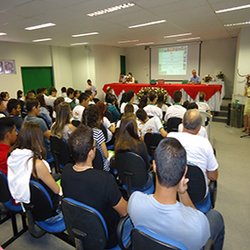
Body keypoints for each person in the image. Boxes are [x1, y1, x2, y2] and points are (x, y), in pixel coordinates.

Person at [128, 137, 224, 250]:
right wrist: (183, 193)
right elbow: (194, 216)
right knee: (216, 217)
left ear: (154, 166)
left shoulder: (134, 201)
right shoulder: (198, 225)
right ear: (185, 171)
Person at [61, 125, 127, 248]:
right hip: (108, 237)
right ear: (91, 152)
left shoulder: (65, 172)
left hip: (82, 229)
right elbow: (125, 212)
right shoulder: (105, 180)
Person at [7, 122, 62, 215]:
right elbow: (57, 190)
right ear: (37, 140)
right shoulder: (37, 164)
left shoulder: (13, 156)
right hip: (49, 211)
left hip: (31, 205)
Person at [168, 109, 218, 195]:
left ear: (182, 123)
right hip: (198, 194)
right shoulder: (205, 144)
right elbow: (213, 176)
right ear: (199, 128)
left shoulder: (170, 137)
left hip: (172, 190)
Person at [82, 104, 110, 171]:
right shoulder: (98, 133)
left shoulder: (81, 131)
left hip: (87, 165)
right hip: (101, 167)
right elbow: (106, 155)